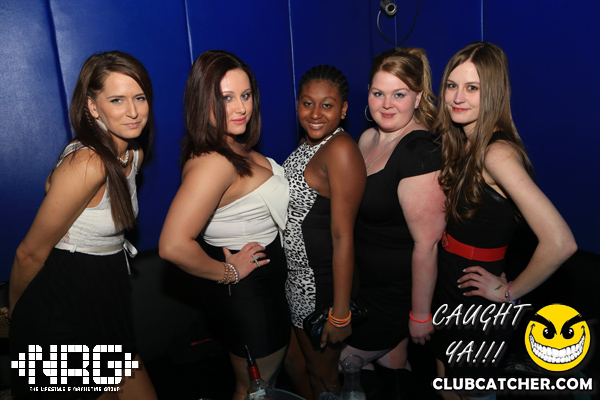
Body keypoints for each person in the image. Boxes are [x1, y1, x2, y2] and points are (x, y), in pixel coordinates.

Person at [9, 51, 157, 399]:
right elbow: (29, 253)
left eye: (139, 98)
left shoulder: (133, 154)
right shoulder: (89, 162)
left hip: (106, 291)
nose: (133, 111)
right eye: (117, 100)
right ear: (93, 107)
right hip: (63, 301)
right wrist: (17, 317)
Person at [432, 42, 577, 399]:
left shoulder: (496, 154)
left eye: (472, 87)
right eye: (452, 85)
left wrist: (508, 292)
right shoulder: (464, 143)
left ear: (494, 93)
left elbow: (561, 242)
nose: (457, 97)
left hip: (478, 305)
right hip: (452, 288)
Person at [158, 50, 290, 400]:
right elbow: (172, 245)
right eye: (226, 98)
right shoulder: (213, 163)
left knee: (264, 387)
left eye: (245, 95)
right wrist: (228, 272)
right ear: (203, 102)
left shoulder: (234, 146)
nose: (241, 107)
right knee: (254, 391)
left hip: (266, 292)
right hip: (252, 300)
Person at [342, 48, 446, 392]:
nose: (386, 105)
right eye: (378, 93)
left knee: (343, 362)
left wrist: (420, 314)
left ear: (417, 97)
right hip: (363, 284)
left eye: (399, 95)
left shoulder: (421, 152)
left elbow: (427, 244)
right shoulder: (367, 138)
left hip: (396, 294)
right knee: (391, 366)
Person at [283, 65, 366, 398]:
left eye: (327, 105)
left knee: (324, 376)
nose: (315, 113)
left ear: (343, 109)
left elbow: (343, 236)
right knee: (298, 364)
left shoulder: (340, 149)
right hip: (296, 279)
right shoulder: (309, 144)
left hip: (321, 285)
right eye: (307, 103)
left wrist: (340, 313)